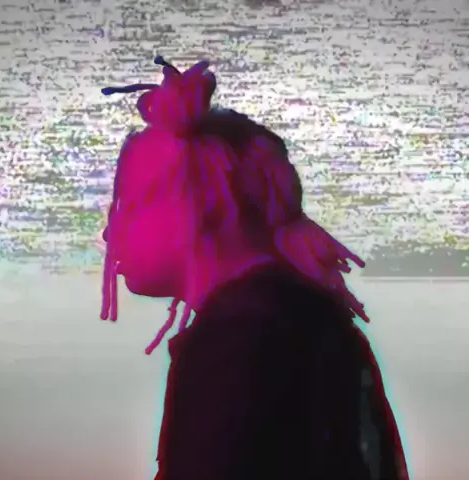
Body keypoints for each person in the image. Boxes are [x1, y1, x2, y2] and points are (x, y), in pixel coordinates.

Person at [99, 56, 410, 480]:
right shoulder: (300, 321)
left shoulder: (241, 338)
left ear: (201, 202)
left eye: (131, 204)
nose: (110, 233)